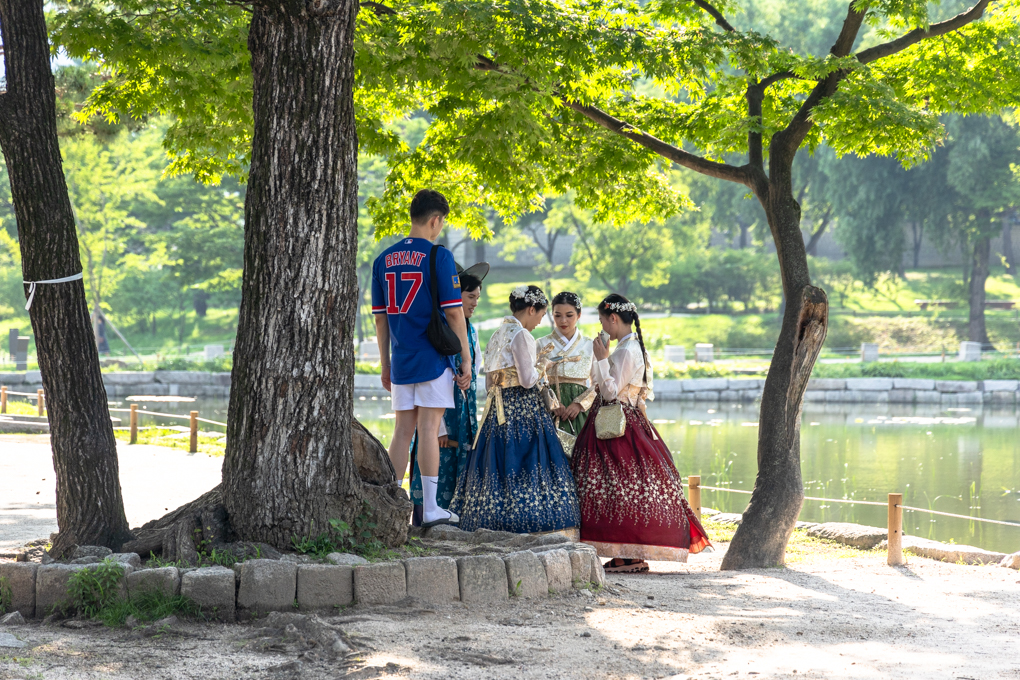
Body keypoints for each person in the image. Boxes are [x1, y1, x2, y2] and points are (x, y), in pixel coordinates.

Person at [571, 293, 710, 572]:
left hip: (617, 424)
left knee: (614, 486)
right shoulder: (636, 348)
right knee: (630, 486)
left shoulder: (625, 351)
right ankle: (630, 552)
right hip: (634, 422)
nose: (600, 325)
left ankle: (626, 552)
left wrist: (601, 358)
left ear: (613, 318)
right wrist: (602, 359)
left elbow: (610, 393)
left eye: (601, 319)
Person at [371, 189, 471, 528]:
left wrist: (385, 363)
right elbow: (455, 316)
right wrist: (466, 359)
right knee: (429, 428)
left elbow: (380, 318)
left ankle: (388, 505)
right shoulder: (439, 257)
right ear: (435, 220)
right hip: (432, 358)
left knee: (402, 431)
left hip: (401, 359)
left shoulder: (382, 260)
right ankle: (430, 508)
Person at [450, 285, 580, 534]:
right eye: (541, 315)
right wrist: (542, 362)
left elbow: (489, 382)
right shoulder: (521, 335)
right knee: (527, 459)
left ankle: (491, 518)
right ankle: (528, 522)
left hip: (497, 407)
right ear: (531, 309)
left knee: (497, 460)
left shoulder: (498, 333)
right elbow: (529, 380)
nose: (539, 322)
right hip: (523, 406)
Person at [409, 262, 488, 526]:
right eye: (470, 297)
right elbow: (433, 378)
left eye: (478, 298)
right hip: (441, 414)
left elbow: (475, 370)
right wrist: (439, 426)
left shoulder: (471, 330)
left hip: (463, 414)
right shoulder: (439, 328)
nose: (475, 303)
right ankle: (425, 520)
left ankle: (457, 524)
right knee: (437, 461)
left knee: (458, 467)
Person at [537, 292, 595, 438]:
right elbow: (533, 380)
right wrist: (551, 402)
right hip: (549, 409)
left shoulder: (590, 345)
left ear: (579, 315)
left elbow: (599, 383)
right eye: (557, 315)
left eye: (569, 315)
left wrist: (580, 404)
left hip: (580, 411)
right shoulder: (541, 344)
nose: (563, 321)